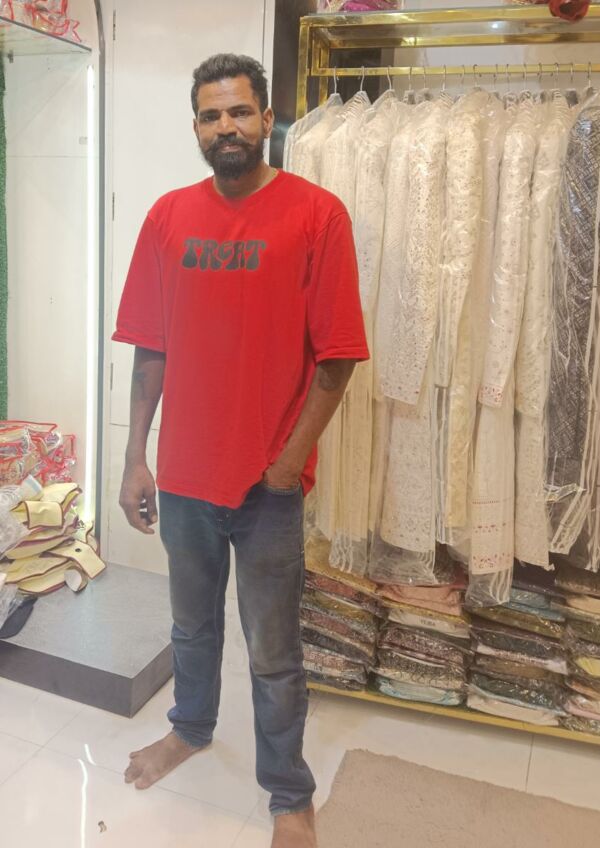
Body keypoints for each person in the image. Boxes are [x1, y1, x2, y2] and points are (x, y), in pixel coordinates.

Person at [112, 53, 369, 848]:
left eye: (239, 111)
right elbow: (150, 347)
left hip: (268, 486)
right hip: (186, 476)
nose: (226, 127)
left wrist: (290, 461)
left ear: (266, 118)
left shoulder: (317, 215)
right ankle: (190, 728)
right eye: (210, 115)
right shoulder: (167, 217)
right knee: (191, 628)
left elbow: (338, 357)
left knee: (272, 651)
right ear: (196, 126)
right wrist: (135, 456)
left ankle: (289, 793)